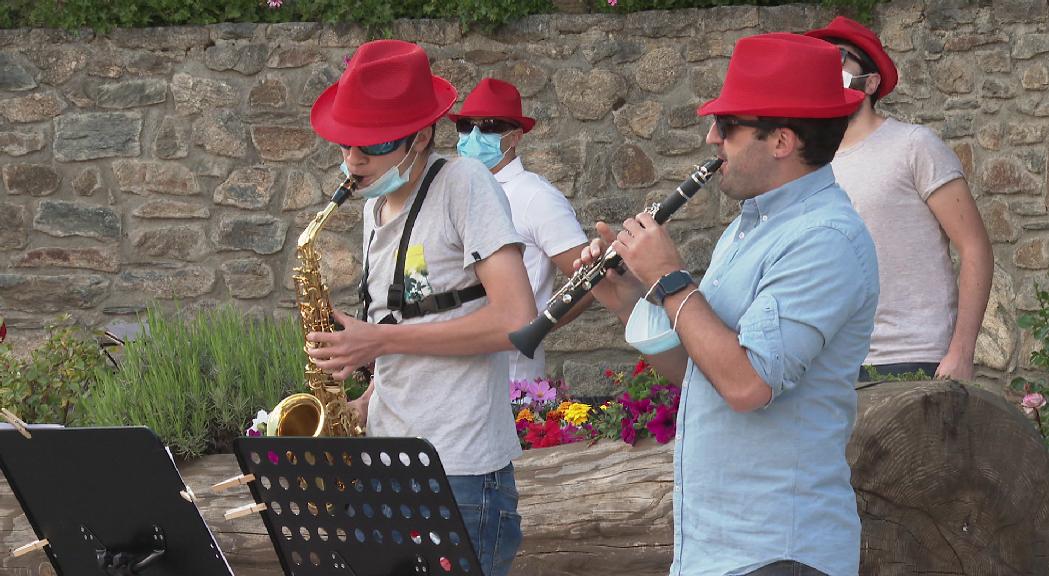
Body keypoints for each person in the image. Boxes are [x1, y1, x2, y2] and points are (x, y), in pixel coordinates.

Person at [577, 33, 878, 575]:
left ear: (782, 140)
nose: (712, 137)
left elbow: (746, 386)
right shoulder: (750, 228)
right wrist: (625, 298)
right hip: (716, 551)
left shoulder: (825, 238)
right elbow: (704, 373)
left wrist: (670, 279)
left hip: (780, 551)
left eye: (729, 125)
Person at [304, 39, 536, 576]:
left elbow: (517, 319)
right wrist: (369, 395)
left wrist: (378, 340)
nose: (354, 161)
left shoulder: (463, 183)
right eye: (345, 144)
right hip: (391, 459)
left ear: (422, 136)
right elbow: (420, 309)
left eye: (373, 144)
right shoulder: (376, 204)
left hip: (459, 468)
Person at [806, 16, 993, 381]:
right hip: (834, 366)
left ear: (871, 82)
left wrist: (961, 353)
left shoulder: (914, 145)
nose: (826, 67)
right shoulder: (809, 167)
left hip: (914, 357)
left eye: (839, 57)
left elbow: (975, 248)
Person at [448, 78, 590, 382]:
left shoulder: (536, 197)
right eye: (465, 126)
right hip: (454, 371)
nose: (474, 136)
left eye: (488, 126)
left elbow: (590, 280)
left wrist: (533, 328)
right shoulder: (454, 191)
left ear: (514, 138)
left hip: (511, 376)